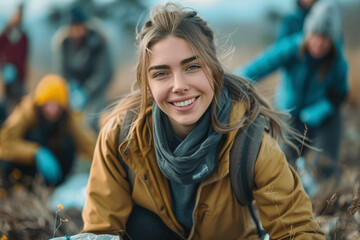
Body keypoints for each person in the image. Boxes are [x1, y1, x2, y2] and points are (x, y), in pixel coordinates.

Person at [81, 3, 325, 239]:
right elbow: (101, 232)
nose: (179, 86)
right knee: (140, 225)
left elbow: (297, 230)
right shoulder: (121, 137)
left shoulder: (250, 144)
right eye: (162, 73)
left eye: (192, 67)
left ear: (214, 69)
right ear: (147, 83)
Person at [235, 1, 348, 178]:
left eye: (326, 39)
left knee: (326, 166)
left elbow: (341, 92)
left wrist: (320, 110)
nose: (319, 43)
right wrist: (234, 80)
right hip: (290, 113)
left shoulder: (337, 61)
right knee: (286, 163)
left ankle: (323, 195)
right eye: (316, 36)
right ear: (308, 33)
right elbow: (261, 66)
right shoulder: (292, 47)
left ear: (333, 41)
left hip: (321, 115)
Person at [0, 74, 97, 186]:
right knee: (35, 137)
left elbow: (89, 144)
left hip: (57, 168)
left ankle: (58, 184)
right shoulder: (26, 111)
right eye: (48, 105)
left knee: (68, 143)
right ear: (40, 104)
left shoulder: (69, 117)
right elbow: (4, 142)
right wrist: (34, 153)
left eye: (56, 105)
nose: (51, 110)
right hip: (27, 166)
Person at [54, 6, 113, 132]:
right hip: (72, 90)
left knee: (92, 121)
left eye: (79, 27)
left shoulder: (98, 41)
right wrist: (71, 86)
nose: (76, 31)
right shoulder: (63, 44)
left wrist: (86, 90)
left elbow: (104, 72)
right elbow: (62, 69)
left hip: (95, 91)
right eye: (72, 28)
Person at [0, 3, 29, 125]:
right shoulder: (5, 35)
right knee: (5, 102)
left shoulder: (23, 37)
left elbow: (24, 58)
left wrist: (22, 76)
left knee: (19, 102)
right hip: (6, 76)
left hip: (19, 77)